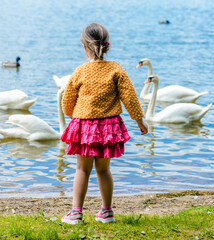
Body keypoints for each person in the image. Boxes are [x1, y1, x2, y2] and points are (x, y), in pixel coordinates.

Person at [60, 22, 148, 225]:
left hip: (84, 126)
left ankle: (76, 213)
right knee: (103, 170)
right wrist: (139, 121)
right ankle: (106, 212)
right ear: (107, 46)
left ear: (84, 47)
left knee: (82, 170)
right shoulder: (116, 69)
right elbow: (130, 98)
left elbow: (67, 101)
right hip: (109, 127)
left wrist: (74, 115)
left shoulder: (80, 71)